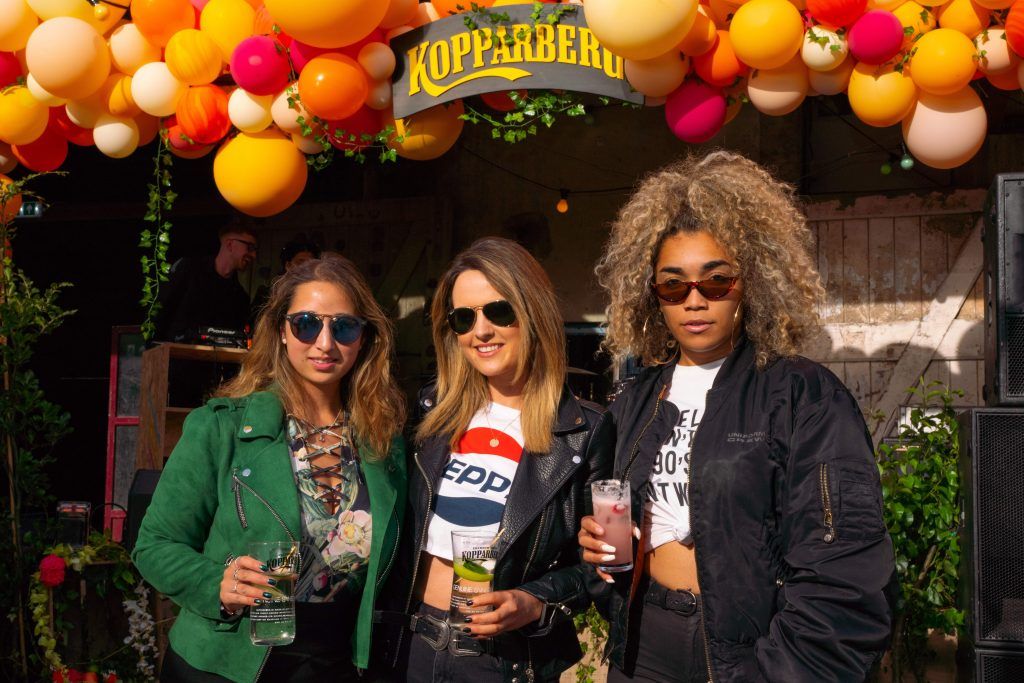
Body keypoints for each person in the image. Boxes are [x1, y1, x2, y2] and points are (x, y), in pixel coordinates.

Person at [578, 152, 896, 682]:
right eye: (673, 285)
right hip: (644, 643)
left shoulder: (801, 394)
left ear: (749, 285)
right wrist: (604, 552)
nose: (694, 300)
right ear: (653, 297)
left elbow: (842, 566)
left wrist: (782, 669)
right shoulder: (636, 398)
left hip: (752, 651)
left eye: (716, 281)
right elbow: (617, 522)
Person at [133, 255, 408, 682]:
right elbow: (154, 544)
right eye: (306, 324)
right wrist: (216, 585)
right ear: (281, 330)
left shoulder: (384, 443)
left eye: (344, 327)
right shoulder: (220, 427)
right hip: (227, 661)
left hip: (337, 663)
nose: (324, 343)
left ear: (365, 339)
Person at [375, 237, 614, 683]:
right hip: (411, 647)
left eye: (498, 311)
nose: (480, 331)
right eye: (463, 319)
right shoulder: (429, 412)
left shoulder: (583, 432)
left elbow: (598, 565)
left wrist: (535, 600)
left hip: (498, 660)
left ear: (533, 312)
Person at [154, 226, 258, 342]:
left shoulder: (240, 297)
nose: (254, 255)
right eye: (250, 247)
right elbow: (160, 312)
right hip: (173, 356)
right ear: (230, 245)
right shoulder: (188, 269)